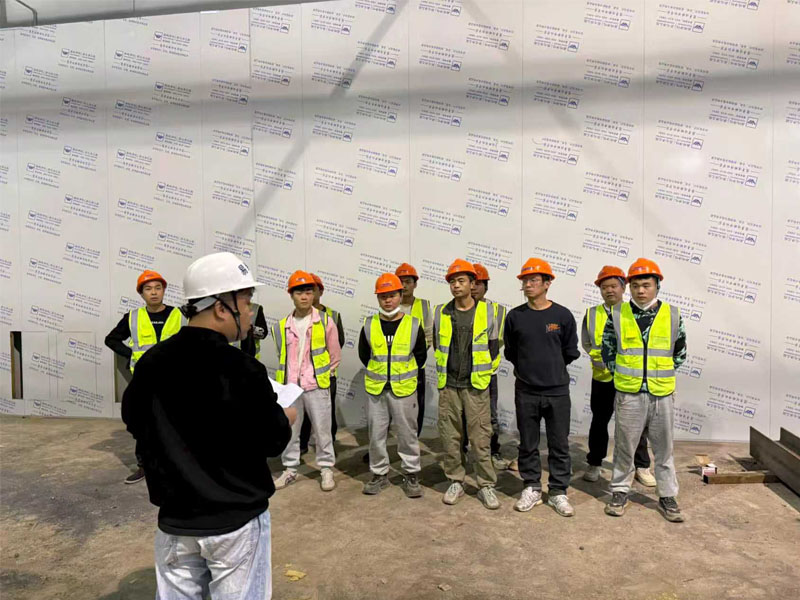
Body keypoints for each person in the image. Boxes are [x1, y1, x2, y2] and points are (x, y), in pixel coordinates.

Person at [121, 252, 295, 599]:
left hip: (176, 523)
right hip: (235, 524)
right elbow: (272, 440)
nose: (250, 313)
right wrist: (285, 416)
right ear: (220, 308)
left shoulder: (152, 363)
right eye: (246, 302)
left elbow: (135, 421)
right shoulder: (241, 367)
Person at [602, 258, 687, 522]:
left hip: (662, 394)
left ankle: (667, 495)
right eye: (636, 285)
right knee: (625, 447)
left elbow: (680, 353)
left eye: (646, 285)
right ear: (629, 287)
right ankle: (620, 491)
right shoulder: (617, 314)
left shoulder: (672, 314)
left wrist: (656, 375)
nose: (641, 290)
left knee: (664, 449)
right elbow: (608, 351)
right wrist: (629, 375)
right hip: (629, 394)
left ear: (657, 286)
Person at [504, 258, 580, 517]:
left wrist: (551, 369)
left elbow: (570, 351)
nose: (528, 285)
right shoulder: (515, 316)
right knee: (528, 443)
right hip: (526, 391)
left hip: (557, 391)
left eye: (534, 280)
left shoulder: (562, 316)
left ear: (547, 283)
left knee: (559, 444)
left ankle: (558, 491)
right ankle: (532, 487)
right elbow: (511, 352)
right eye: (525, 281)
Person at [105, 269, 184, 484]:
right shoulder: (133, 317)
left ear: (164, 290)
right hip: (144, 381)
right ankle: (145, 466)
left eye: (158, 288)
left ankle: (176, 466)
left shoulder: (180, 316)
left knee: (176, 425)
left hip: (174, 381)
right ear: (141, 294)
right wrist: (131, 355)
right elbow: (111, 339)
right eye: (148, 289)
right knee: (144, 426)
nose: (154, 292)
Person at [434, 259, 500, 510]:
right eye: (452, 281)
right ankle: (456, 480)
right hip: (449, 385)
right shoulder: (441, 312)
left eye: (461, 280)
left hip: (476, 386)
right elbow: (438, 345)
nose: (456, 285)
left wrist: (480, 374)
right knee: (450, 436)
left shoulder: (488, 312)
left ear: (473, 284)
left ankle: (485, 484)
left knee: (480, 437)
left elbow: (493, 347)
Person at [581, 265, 655, 486]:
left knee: (637, 426)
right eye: (605, 287)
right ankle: (595, 463)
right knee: (599, 422)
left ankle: (641, 466)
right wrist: (601, 358)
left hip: (629, 379)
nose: (609, 290)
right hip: (602, 379)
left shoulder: (633, 312)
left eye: (614, 286)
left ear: (624, 288)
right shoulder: (592, 314)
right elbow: (587, 342)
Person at [272, 270, 341, 492]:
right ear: (291, 295)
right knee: (290, 430)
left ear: (314, 294)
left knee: (322, 430)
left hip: (316, 385)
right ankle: (290, 469)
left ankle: (326, 468)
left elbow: (334, 355)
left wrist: (322, 376)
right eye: (299, 292)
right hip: (291, 387)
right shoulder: (280, 326)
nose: (304, 296)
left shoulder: (325, 321)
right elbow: (282, 355)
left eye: (308, 292)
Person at [359, 273, 427, 498]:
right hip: (376, 389)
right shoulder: (369, 324)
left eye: (392, 295)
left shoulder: (413, 324)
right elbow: (364, 354)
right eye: (383, 296)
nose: (388, 300)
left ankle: (411, 474)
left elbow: (420, 356)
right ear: (378, 298)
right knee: (376, 435)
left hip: (404, 389)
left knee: (407, 434)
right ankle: (379, 475)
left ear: (400, 295)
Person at [299, 273, 345, 453]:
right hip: (303, 375)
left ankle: (328, 445)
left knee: (327, 410)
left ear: (320, 292)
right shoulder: (296, 316)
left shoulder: (332, 315)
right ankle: (302, 444)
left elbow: (338, 343)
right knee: (303, 411)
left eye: (312, 289)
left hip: (326, 374)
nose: (308, 294)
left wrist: (327, 368)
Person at [472, 263, 509, 469]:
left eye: (479, 283)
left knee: (490, 416)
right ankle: (463, 452)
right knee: (462, 417)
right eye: (472, 282)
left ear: (486, 286)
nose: (474, 287)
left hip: (488, 373)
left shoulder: (497, 310)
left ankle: (493, 451)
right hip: (461, 375)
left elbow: (500, 340)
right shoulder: (455, 309)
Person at [395, 262, 433, 435]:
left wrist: (415, 357)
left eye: (408, 282)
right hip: (393, 366)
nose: (404, 285)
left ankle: (413, 439)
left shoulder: (423, 306)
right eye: (401, 281)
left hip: (416, 366)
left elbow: (429, 336)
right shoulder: (390, 304)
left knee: (417, 404)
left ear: (415, 284)